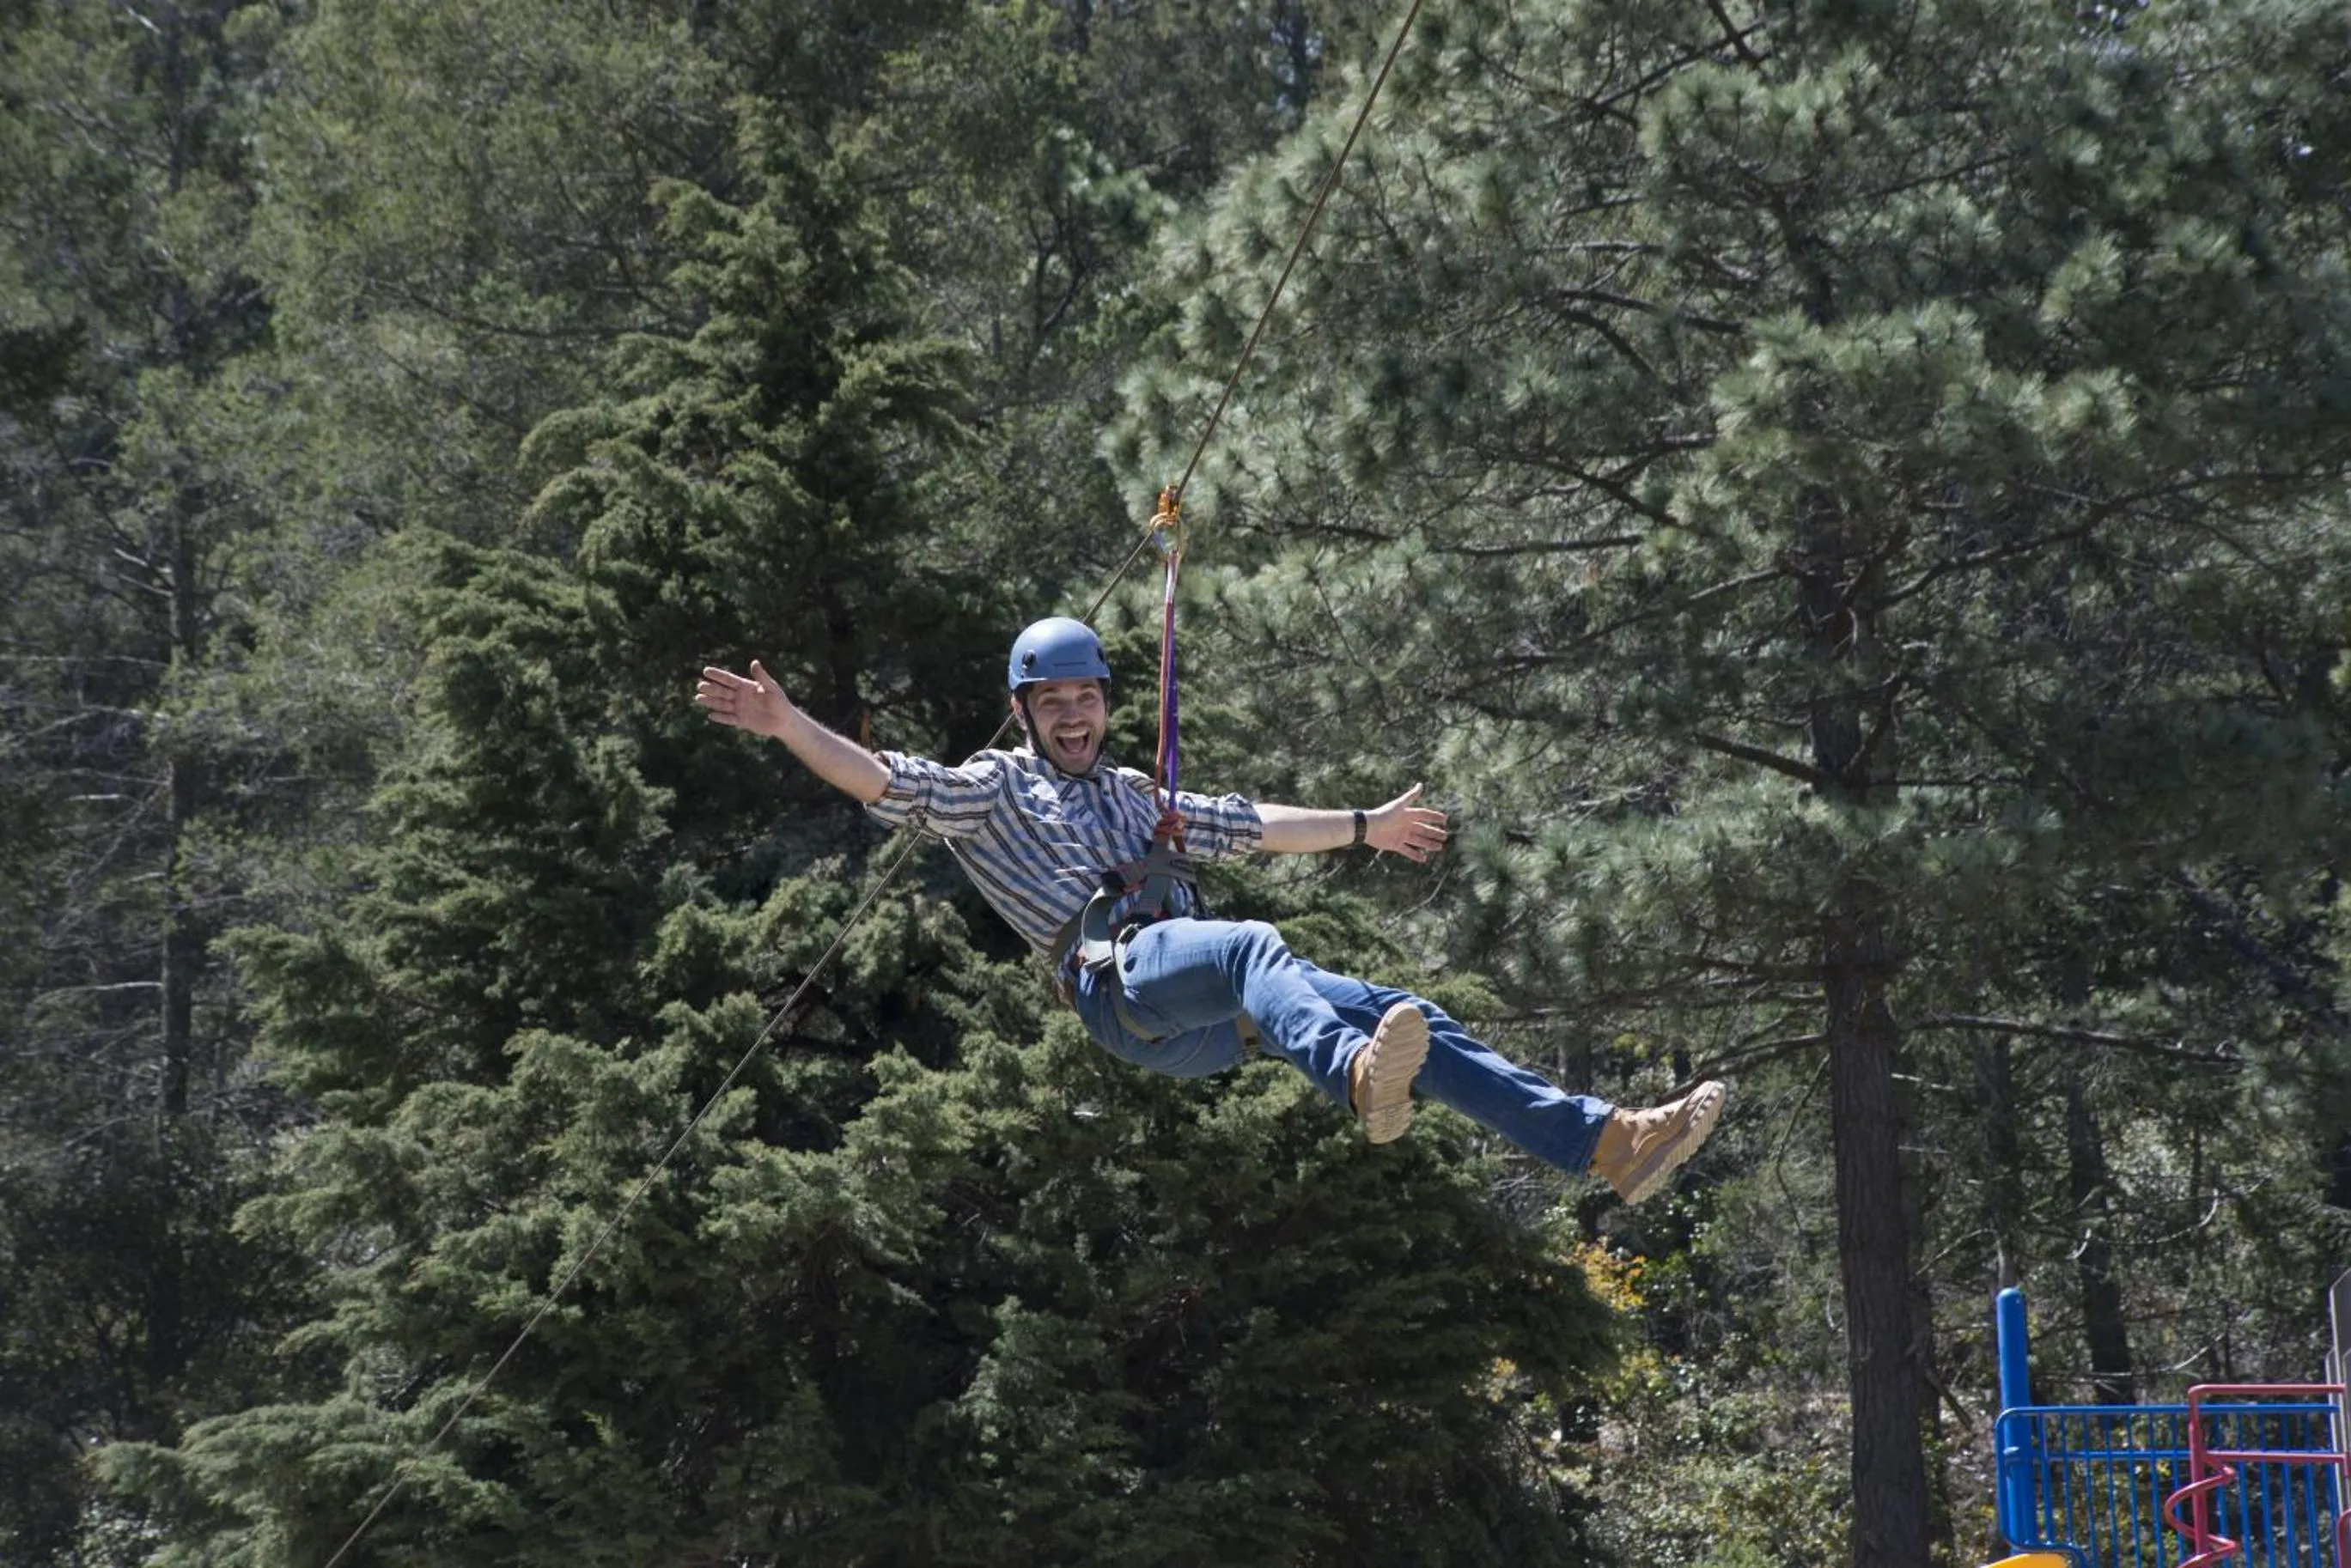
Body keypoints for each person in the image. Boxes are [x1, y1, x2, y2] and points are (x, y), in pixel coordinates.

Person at [694, 617, 1724, 1202]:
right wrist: (788, 724)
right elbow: (882, 779)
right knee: (1247, 945)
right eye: (1050, 703)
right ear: (1022, 713)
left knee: (1398, 1006)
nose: (1072, 715)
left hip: (1206, 1022)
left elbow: (1253, 823)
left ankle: (1604, 1144)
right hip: (1121, 985)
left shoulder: (1140, 796)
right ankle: (1359, 1080)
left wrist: (1365, 824)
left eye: (1085, 697)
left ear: (1104, 700)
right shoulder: (992, 789)